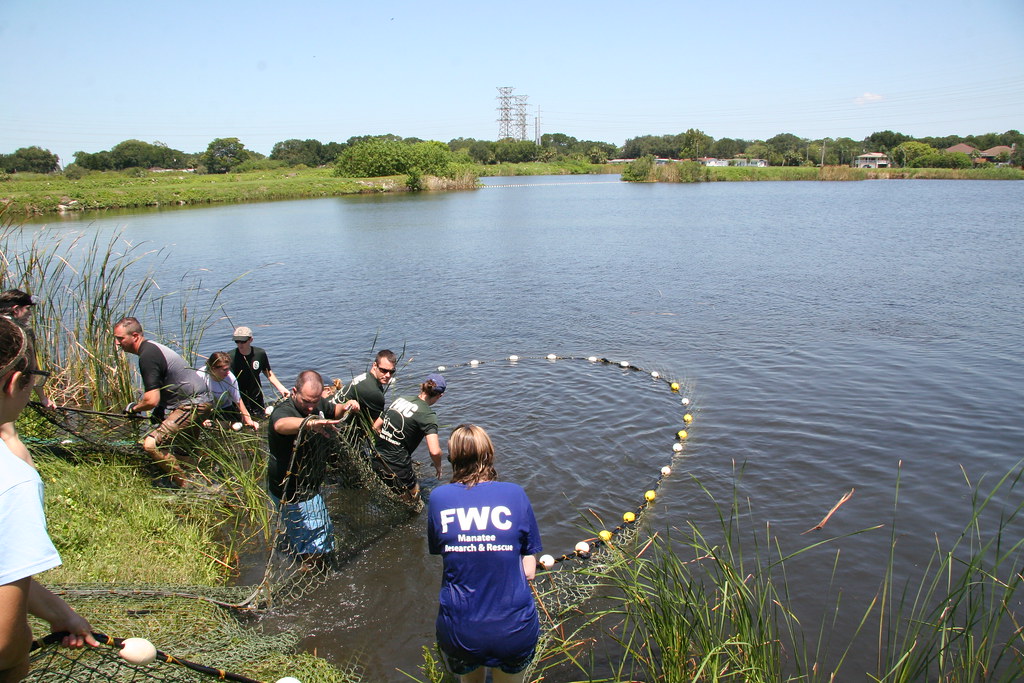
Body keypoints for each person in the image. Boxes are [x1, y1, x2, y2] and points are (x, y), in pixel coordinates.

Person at [0, 317, 99, 682]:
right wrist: (18, 654)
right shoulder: (11, 479)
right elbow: (3, 643)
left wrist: (59, 613)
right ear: (14, 383)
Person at [427, 424, 542, 683]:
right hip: (514, 631)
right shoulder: (515, 494)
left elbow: (441, 550)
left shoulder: (438, 498)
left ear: (452, 458)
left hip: (460, 632)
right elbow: (529, 570)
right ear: (489, 455)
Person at [267, 370, 359, 560]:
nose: (310, 407)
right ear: (294, 392)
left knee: (306, 535)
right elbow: (280, 425)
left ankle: (306, 558)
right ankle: (314, 570)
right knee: (318, 542)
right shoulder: (284, 410)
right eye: (306, 401)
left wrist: (347, 405)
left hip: (309, 485)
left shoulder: (318, 403)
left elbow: (333, 409)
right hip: (291, 489)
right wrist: (309, 423)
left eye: (314, 402)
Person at [112, 317, 213, 488]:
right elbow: (165, 388)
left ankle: (185, 487)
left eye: (120, 338)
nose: (117, 343)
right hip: (197, 402)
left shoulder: (147, 356)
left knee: (151, 445)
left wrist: (134, 408)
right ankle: (204, 486)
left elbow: (151, 400)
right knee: (183, 452)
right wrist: (161, 408)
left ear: (135, 336)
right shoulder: (150, 349)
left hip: (194, 404)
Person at [372, 373, 446, 502]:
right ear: (440, 396)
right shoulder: (428, 415)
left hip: (377, 458)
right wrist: (438, 467)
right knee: (414, 497)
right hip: (397, 465)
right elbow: (435, 451)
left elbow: (376, 426)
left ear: (422, 387)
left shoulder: (401, 399)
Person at [0, 289, 54, 409]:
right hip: (9, 395)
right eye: (28, 309)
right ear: (16, 310)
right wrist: (43, 398)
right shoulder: (24, 333)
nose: (30, 313)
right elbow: (33, 367)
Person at [228, 326, 289, 418]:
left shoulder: (260, 353)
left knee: (260, 418)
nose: (240, 345)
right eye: (237, 341)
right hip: (238, 396)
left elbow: (267, 372)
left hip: (256, 394)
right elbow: (228, 380)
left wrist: (281, 388)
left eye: (243, 341)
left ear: (251, 340)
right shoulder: (230, 356)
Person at [197, 352, 257, 430]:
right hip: (206, 410)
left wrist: (248, 419)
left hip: (225, 409)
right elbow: (194, 397)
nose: (228, 372)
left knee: (235, 427)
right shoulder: (201, 375)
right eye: (225, 369)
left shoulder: (230, 378)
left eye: (228, 368)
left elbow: (238, 400)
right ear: (213, 368)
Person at [337, 349, 397, 428]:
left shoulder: (365, 377)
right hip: (338, 426)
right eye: (384, 370)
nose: (388, 375)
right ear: (374, 365)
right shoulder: (373, 392)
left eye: (391, 371)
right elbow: (376, 427)